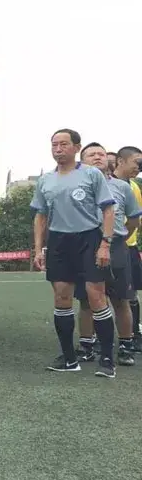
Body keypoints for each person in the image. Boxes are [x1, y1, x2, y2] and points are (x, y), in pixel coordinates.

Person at [31, 129, 117, 377]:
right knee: (61, 298)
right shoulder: (45, 180)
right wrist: (39, 248)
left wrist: (105, 244)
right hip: (59, 242)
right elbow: (40, 216)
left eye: (63, 144)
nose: (58, 149)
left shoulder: (91, 174)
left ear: (76, 148)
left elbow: (108, 210)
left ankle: (107, 361)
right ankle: (70, 359)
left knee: (96, 297)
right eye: (54, 145)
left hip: (89, 238)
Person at [70, 143, 140, 368]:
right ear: (82, 161)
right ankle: (87, 346)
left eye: (101, 153)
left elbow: (134, 219)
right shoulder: (73, 186)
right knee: (86, 301)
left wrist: (117, 237)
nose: (98, 157)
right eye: (91, 154)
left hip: (116, 247)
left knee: (121, 299)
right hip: (84, 247)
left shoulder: (121, 187)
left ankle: (125, 346)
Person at [113, 145, 142, 349]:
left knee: (130, 295)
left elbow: (136, 218)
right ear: (121, 161)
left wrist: (124, 238)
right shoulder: (104, 184)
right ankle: (93, 340)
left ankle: (133, 336)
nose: (139, 167)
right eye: (136, 162)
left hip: (128, 247)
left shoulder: (134, 187)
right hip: (107, 246)